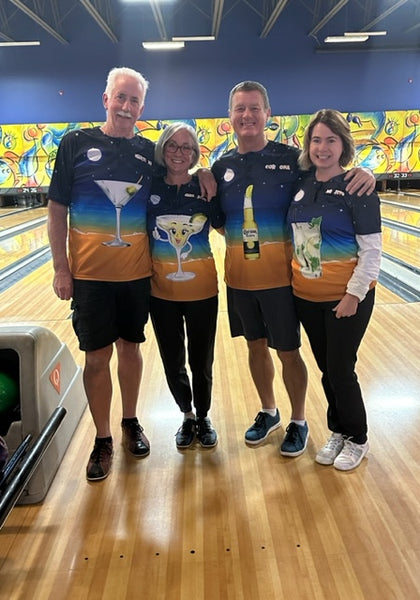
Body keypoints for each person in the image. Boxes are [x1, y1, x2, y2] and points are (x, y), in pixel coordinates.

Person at [47, 67, 216, 481]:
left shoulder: (148, 152)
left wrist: (204, 172)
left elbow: (181, 170)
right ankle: (102, 438)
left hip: (137, 275)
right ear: (105, 99)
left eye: (134, 100)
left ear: (142, 107)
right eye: (120, 97)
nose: (126, 106)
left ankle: (129, 422)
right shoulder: (74, 144)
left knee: (129, 349)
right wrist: (61, 268)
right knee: (97, 355)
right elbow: (56, 209)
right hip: (89, 276)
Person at [211, 81, 376, 457]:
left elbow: (330, 171)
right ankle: (269, 411)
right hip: (239, 280)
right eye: (240, 108)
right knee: (255, 348)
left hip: (284, 282)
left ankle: (299, 420)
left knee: (288, 351)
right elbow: (219, 220)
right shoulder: (221, 168)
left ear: (268, 114)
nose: (247, 115)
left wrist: (366, 172)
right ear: (230, 116)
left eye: (255, 108)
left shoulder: (291, 160)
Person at [287, 109, 382, 471]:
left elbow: (372, 251)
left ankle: (358, 438)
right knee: (328, 368)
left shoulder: (358, 188)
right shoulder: (301, 183)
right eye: (316, 139)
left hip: (346, 297)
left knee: (341, 368)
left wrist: (353, 295)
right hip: (306, 297)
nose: (322, 147)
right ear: (307, 144)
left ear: (344, 144)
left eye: (331, 140)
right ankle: (338, 431)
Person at [147, 123, 225, 449]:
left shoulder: (206, 189)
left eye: (187, 147)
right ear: (163, 150)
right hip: (160, 292)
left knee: (201, 359)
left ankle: (204, 414)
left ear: (195, 153)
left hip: (203, 291)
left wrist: (207, 174)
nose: (180, 153)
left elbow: (223, 227)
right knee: (172, 359)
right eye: (173, 146)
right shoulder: (149, 186)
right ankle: (187, 414)